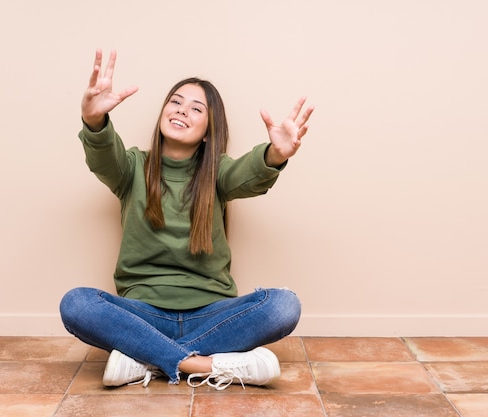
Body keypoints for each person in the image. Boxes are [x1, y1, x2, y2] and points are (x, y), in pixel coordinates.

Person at [59, 49, 314, 390]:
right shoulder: (132, 167)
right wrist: (93, 121)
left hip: (213, 314)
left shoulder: (218, 173)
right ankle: (205, 365)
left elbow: (248, 173)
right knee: (76, 304)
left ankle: (145, 358)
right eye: (176, 102)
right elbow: (104, 155)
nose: (182, 110)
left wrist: (274, 154)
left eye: (196, 108)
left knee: (284, 306)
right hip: (143, 314)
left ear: (209, 130)